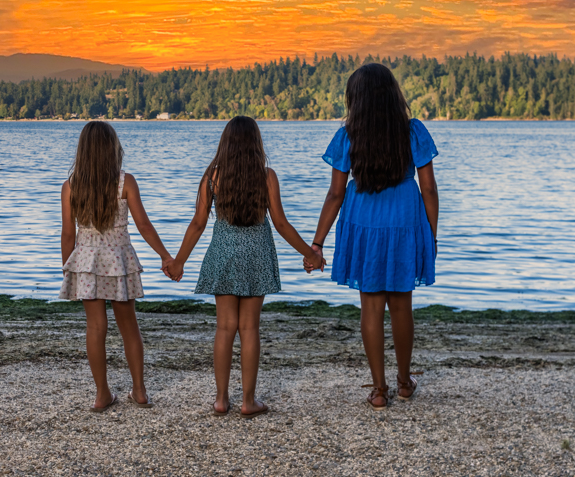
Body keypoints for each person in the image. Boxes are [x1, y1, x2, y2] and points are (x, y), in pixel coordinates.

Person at [166, 116, 323, 418]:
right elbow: (280, 223)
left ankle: (221, 399)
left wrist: (179, 261)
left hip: (223, 254)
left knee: (225, 327)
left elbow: (198, 223)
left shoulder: (212, 176)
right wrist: (311, 254)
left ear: (225, 143)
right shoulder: (267, 176)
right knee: (249, 327)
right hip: (257, 255)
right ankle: (248, 401)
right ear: (256, 143)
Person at [308, 63, 439, 410]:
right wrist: (432, 235)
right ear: (392, 93)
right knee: (401, 304)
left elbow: (335, 194)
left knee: (370, 306)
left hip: (364, 222)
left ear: (357, 99)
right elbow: (428, 188)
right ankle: (404, 381)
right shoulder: (412, 132)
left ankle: (379, 390)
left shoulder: (348, 135)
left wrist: (317, 243)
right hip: (405, 219)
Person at [60, 121, 174, 412]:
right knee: (129, 327)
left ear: (82, 151)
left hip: (86, 261)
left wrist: (68, 269)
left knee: (95, 327)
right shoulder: (126, 182)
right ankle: (139, 391)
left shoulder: (71, 186)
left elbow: (68, 234)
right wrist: (165, 256)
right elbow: (144, 225)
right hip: (119, 260)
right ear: (113, 149)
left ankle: (102, 394)